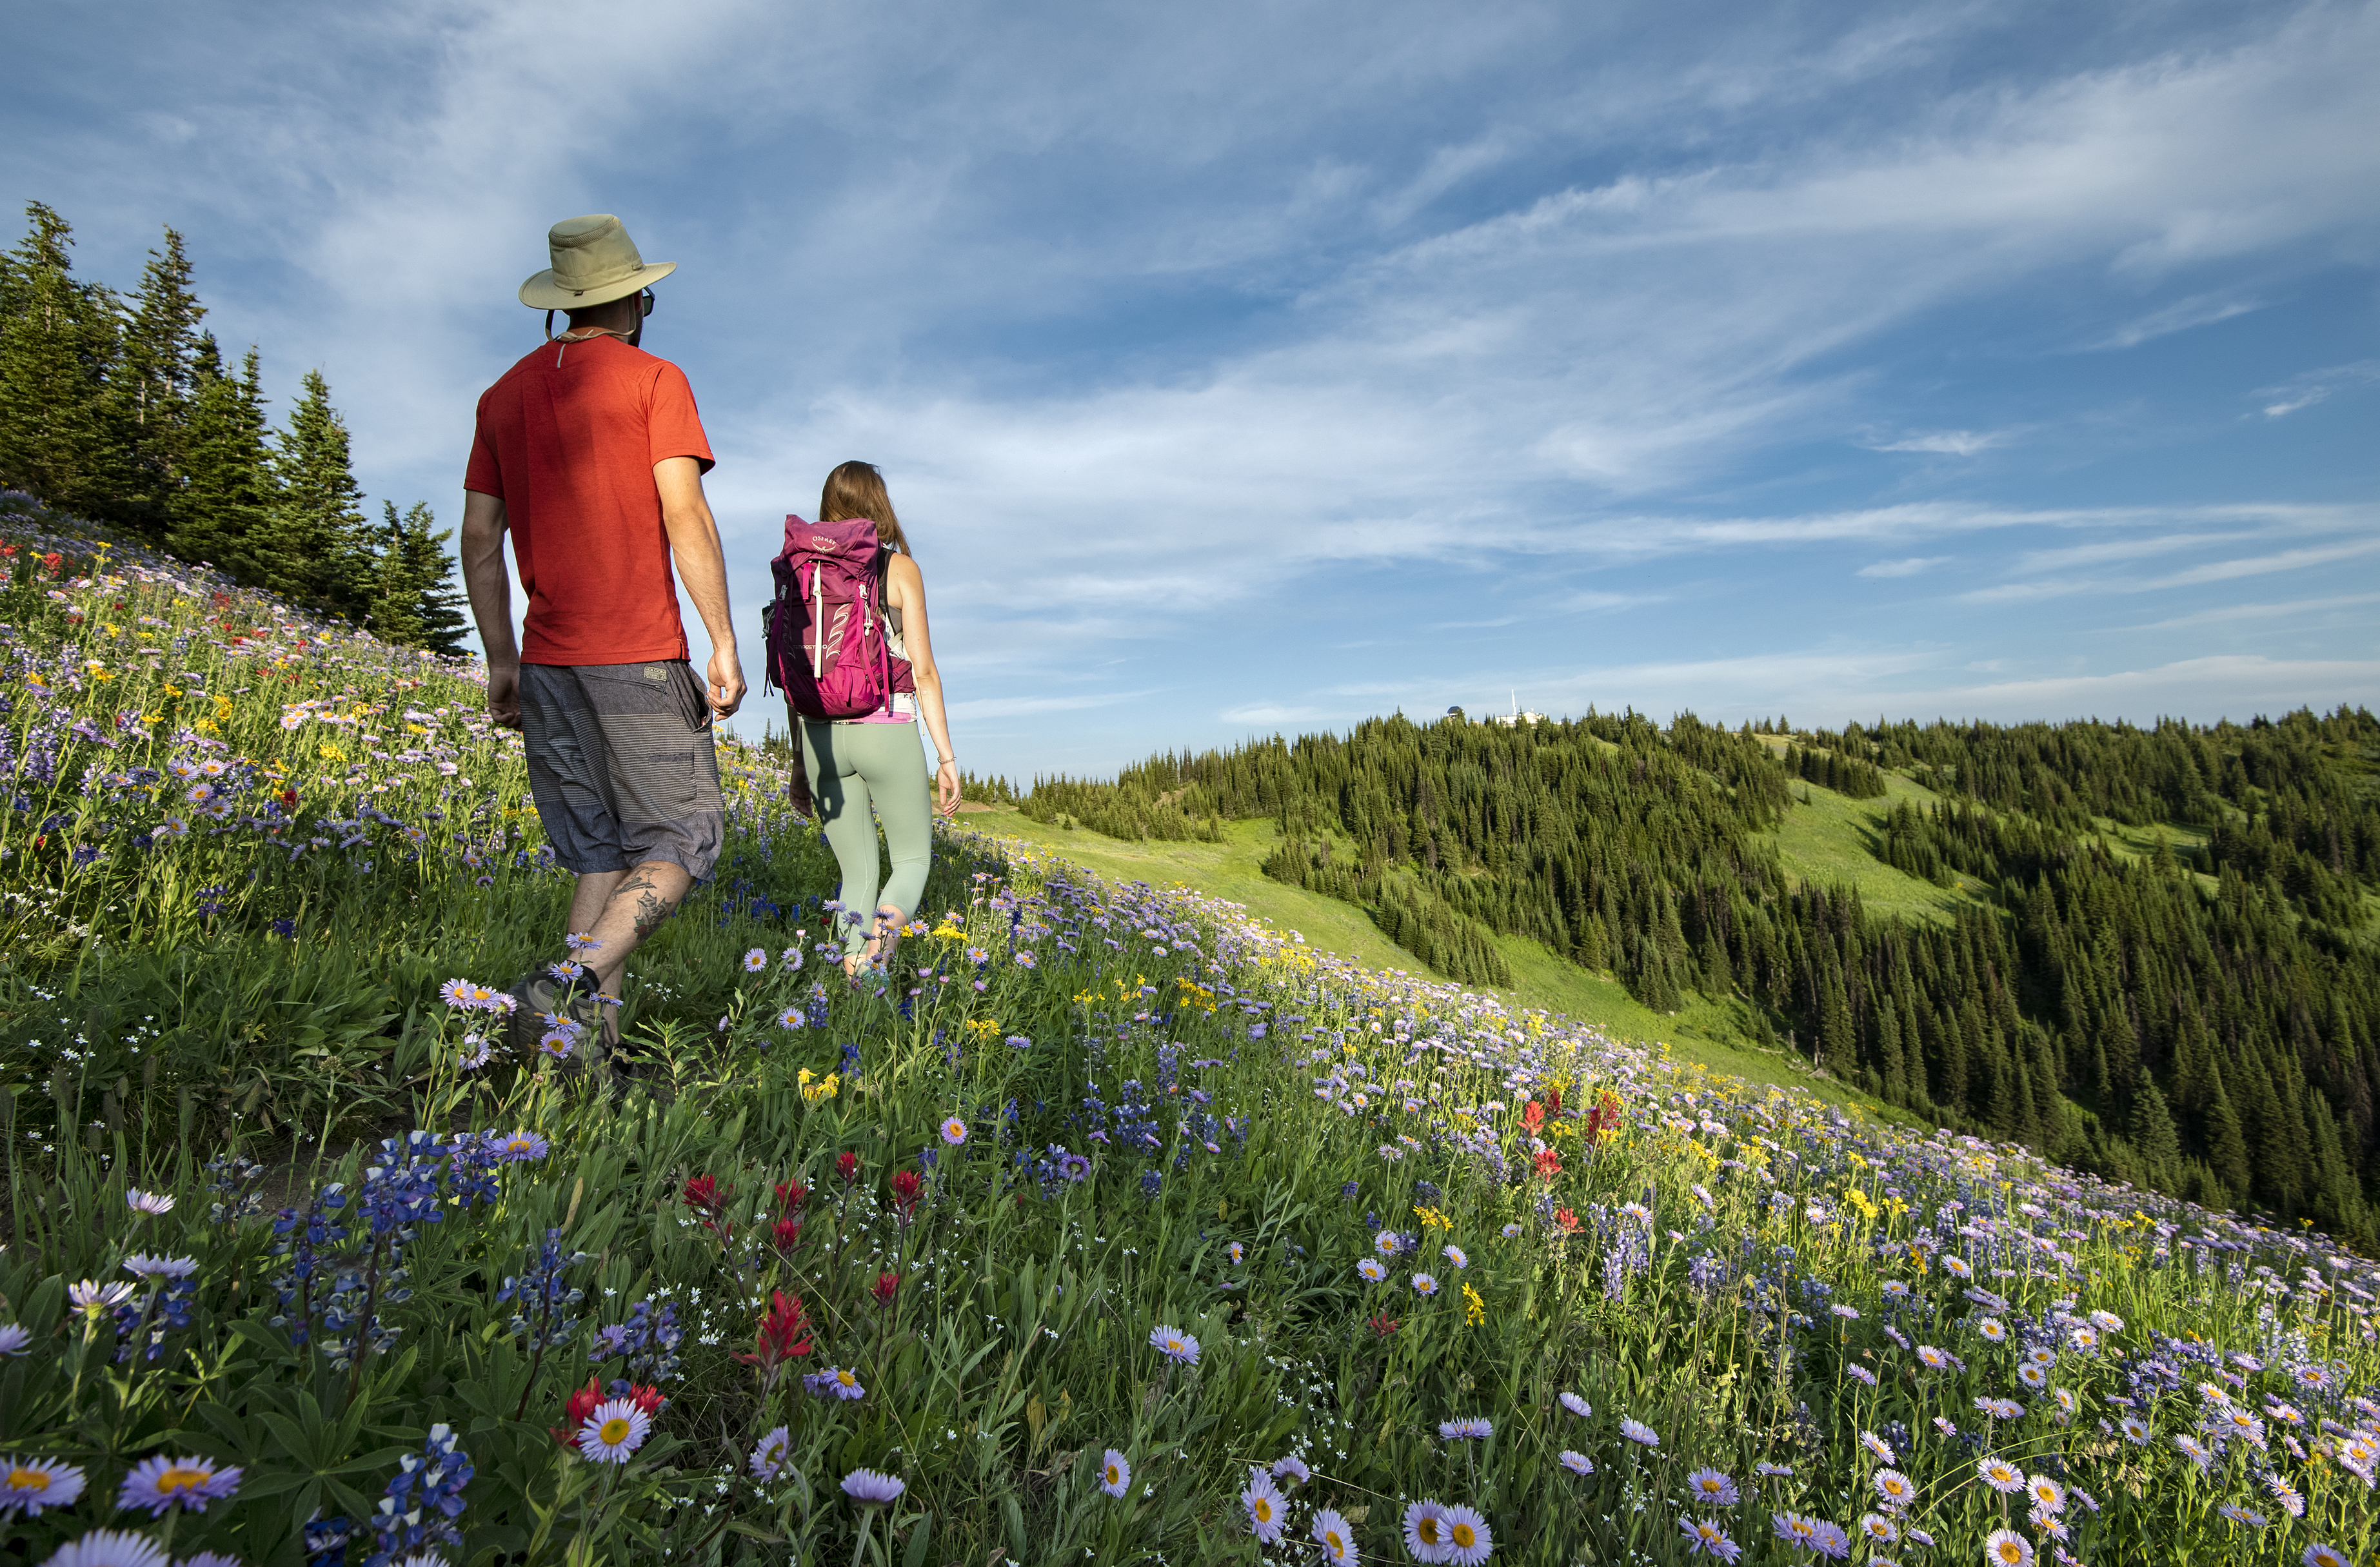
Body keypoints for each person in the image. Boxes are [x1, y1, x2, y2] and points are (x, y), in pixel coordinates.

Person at [458, 213, 746, 1071]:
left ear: (561, 305)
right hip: (635, 653)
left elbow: (479, 535)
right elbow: (682, 511)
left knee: (599, 847)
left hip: (546, 661)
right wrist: (722, 637)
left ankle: (581, 1058)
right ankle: (566, 982)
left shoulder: (500, 397)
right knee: (686, 836)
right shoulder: (655, 379)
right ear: (633, 300)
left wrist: (501, 656)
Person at [792, 461, 959, 976]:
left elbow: (795, 671)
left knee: (857, 873)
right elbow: (924, 670)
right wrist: (946, 757)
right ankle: (873, 968)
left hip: (818, 734)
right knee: (910, 861)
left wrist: (801, 763)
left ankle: (849, 978)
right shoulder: (899, 569)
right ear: (879, 504)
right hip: (885, 727)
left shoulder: (802, 570)